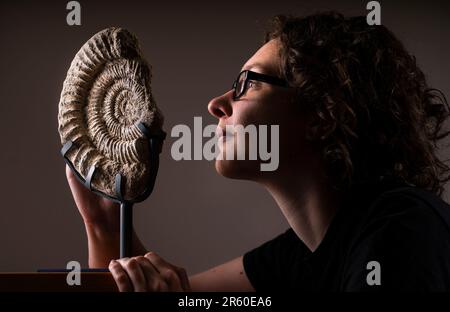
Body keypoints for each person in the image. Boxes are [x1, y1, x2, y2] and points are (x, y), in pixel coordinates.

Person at [66, 12, 450, 291]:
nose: (217, 104)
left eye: (247, 83)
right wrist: (104, 222)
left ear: (323, 111)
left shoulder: (403, 231)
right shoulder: (297, 257)